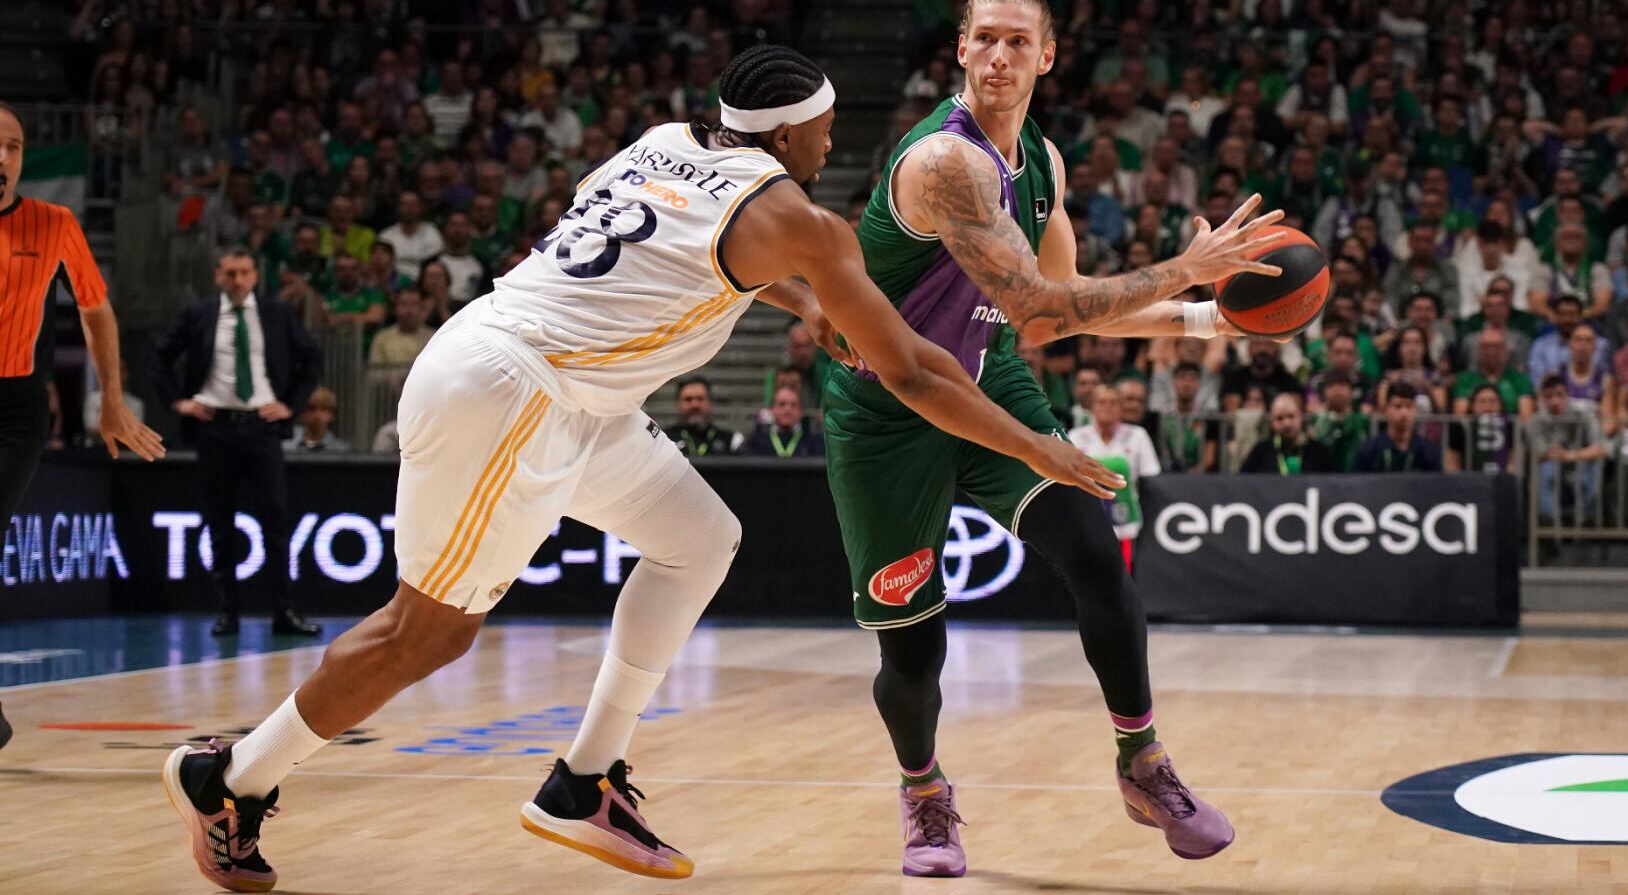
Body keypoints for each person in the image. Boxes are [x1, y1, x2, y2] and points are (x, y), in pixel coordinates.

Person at [162, 44, 1125, 891]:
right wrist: (1033, 442)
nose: (833, 146)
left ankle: (585, 780)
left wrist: (806, 307)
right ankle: (234, 776)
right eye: (826, 131)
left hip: (569, 390)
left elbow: (694, 249)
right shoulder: (803, 221)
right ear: (788, 136)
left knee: (700, 537)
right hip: (514, 393)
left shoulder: (666, 138)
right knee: (425, 635)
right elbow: (911, 369)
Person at [832, 0, 1284, 875]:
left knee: (1095, 552)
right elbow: (1032, 298)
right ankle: (924, 794)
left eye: (1017, 42)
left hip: (987, 373)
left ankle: (1143, 761)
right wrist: (1182, 269)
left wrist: (1202, 318)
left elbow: (1049, 326)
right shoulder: (944, 165)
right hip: (889, 407)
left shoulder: (1040, 159)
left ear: (1047, 57)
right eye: (984, 40)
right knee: (915, 646)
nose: (999, 56)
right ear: (960, 52)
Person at [0, 101, 164, 754]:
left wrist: (112, 402)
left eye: (13, 147)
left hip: (14, 411)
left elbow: (97, 312)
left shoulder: (53, 222)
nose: (3, 158)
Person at [149, 249, 323, 638]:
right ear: (218, 276)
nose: (238, 281)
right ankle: (228, 612)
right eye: (230, 274)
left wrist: (290, 406)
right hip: (216, 428)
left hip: (262, 427)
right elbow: (160, 357)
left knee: (276, 523)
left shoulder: (276, 313)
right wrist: (179, 402)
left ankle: (284, 611)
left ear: (255, 276)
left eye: (244, 273)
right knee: (219, 524)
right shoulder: (200, 314)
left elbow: (311, 358)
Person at [1069, 384, 1160, 545]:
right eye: (1102, 402)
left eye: (1113, 403)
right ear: (1092, 407)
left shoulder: (1138, 436)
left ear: (1120, 408)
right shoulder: (1076, 437)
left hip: (1127, 523)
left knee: (1123, 568)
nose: (1108, 407)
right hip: (1087, 521)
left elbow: (1150, 479)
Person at [1529, 374, 1606, 523]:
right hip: (1553, 463)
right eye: (1548, 396)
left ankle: (1586, 525)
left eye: (1559, 395)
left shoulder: (1584, 413)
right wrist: (1554, 454)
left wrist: (1571, 455)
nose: (1554, 401)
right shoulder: (1536, 420)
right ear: (1542, 399)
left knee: (1592, 470)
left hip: (1580, 460)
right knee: (1546, 471)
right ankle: (1549, 525)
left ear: (1568, 395)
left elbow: (1600, 448)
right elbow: (1539, 452)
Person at [1353, 382, 1443, 472]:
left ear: (1415, 410)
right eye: (1398, 406)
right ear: (1386, 408)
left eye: (1409, 406)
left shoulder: (1430, 453)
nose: (1404, 413)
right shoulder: (1368, 452)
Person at [1453, 327, 1537, 420]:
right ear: (1478, 351)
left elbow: (1526, 419)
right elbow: (1460, 419)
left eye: (1496, 346)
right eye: (1486, 347)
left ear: (1506, 350)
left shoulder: (1521, 379)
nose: (1491, 351)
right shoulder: (1465, 380)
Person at [1241, 392, 1335, 474]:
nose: (1286, 423)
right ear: (1272, 422)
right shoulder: (1260, 452)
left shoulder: (1320, 451)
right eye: (1279, 418)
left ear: (1300, 417)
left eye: (1291, 416)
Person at [1446, 384, 1517, 473]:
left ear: (1501, 405)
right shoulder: (1460, 427)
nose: (1487, 405)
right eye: (1482, 401)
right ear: (1472, 405)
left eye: (1492, 401)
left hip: (1501, 482)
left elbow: (1514, 459)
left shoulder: (1511, 426)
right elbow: (1452, 463)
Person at [740, 384, 823, 457]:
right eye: (782, 404)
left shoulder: (813, 439)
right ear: (772, 409)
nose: (787, 409)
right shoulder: (757, 438)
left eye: (793, 405)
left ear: (800, 410)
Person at [669, 375, 741, 456]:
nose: (695, 405)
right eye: (688, 399)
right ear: (677, 404)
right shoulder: (664, 439)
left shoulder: (731, 440)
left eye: (700, 399)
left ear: (710, 403)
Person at [367, 287, 436, 371]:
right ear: (396, 308)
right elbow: (374, 374)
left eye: (414, 304)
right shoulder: (382, 338)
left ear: (421, 308)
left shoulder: (433, 338)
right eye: (404, 304)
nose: (409, 310)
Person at [283, 387, 350, 453]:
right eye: (312, 409)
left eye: (323, 409)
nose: (317, 414)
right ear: (302, 413)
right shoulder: (285, 444)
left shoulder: (340, 450)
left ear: (331, 415)